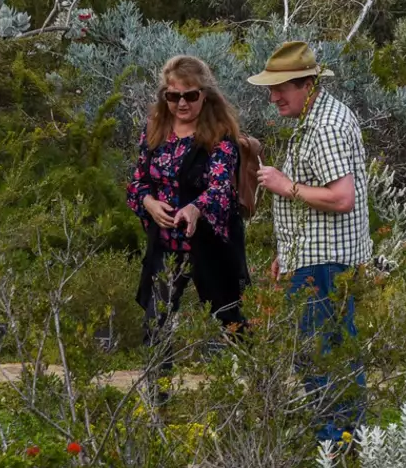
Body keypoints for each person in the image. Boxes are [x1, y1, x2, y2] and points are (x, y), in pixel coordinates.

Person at [252, 41, 373, 441]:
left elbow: (341, 197)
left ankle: (337, 443)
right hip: (313, 257)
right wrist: (284, 253)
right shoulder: (316, 116)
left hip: (325, 264)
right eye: (272, 88)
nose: (273, 96)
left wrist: (285, 186)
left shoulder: (326, 126)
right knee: (329, 351)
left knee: (322, 355)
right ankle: (344, 442)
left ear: (306, 83)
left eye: (281, 87)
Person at [128, 56, 249, 342]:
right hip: (166, 244)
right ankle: (159, 387)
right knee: (155, 323)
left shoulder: (220, 136)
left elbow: (220, 189)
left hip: (209, 243)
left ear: (205, 96)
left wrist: (196, 209)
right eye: (173, 96)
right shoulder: (154, 131)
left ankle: (260, 382)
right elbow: (137, 182)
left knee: (230, 317)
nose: (182, 103)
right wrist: (149, 203)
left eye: (190, 96)